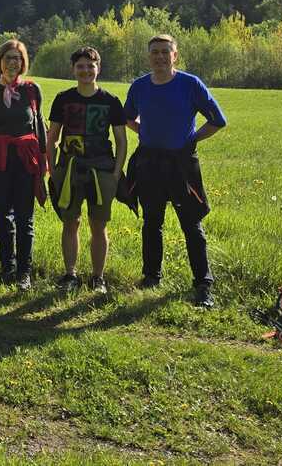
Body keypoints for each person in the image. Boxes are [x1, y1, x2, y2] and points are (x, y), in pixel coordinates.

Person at [123, 34, 227, 308]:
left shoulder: (190, 84)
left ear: (175, 55)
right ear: (149, 56)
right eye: (154, 52)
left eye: (164, 52)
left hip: (181, 166)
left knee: (192, 225)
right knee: (151, 223)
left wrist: (192, 139)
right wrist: (143, 131)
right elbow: (127, 117)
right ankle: (151, 277)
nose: (159, 56)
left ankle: (203, 284)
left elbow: (218, 120)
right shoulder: (139, 86)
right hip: (149, 163)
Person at [46, 47, 126, 295]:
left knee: (98, 225)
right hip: (70, 169)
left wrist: (115, 173)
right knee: (70, 222)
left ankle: (97, 278)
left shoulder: (111, 101)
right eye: (80, 66)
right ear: (73, 69)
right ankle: (70, 275)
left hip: (101, 169)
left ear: (98, 68)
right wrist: (54, 169)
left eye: (90, 66)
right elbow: (52, 138)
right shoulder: (63, 99)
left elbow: (121, 141)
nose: (85, 71)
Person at [0, 39, 47, 290]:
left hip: (26, 161)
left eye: (17, 58)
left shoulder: (32, 90)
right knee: (3, 217)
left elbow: (39, 127)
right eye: (8, 58)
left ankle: (24, 272)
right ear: (0, 61)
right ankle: (7, 266)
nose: (12, 63)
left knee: (25, 218)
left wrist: (43, 163)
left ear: (22, 62)